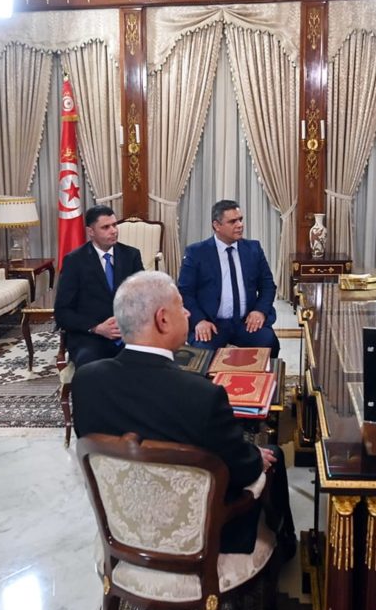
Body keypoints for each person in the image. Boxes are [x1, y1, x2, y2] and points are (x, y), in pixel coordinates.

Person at [72, 271, 295, 558]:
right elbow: (243, 471)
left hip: (124, 529)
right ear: (163, 319)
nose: (188, 312)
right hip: (205, 535)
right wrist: (253, 456)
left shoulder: (86, 381)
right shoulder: (202, 395)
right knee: (272, 454)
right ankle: (285, 548)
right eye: (181, 305)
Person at [177, 199, 279, 355]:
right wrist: (199, 321)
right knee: (201, 353)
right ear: (216, 225)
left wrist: (259, 311)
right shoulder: (197, 252)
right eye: (233, 221)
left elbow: (267, 286)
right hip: (212, 323)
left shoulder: (253, 249)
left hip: (246, 321)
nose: (240, 225)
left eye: (240, 219)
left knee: (269, 342)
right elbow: (185, 292)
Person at [54, 205, 146, 366]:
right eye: (106, 227)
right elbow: (62, 312)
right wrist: (96, 328)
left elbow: (144, 298)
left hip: (127, 333)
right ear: (91, 232)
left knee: (151, 361)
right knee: (91, 367)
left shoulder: (131, 255)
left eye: (115, 225)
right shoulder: (74, 261)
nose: (114, 231)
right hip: (90, 337)